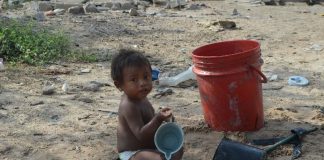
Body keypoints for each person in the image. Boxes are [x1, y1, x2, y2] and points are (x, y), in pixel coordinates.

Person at [111, 49, 183, 160]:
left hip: (150, 148)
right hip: (133, 154)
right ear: (119, 84)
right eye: (134, 79)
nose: (142, 83)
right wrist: (158, 118)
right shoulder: (128, 105)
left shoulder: (142, 98)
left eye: (146, 77)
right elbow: (141, 135)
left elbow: (150, 123)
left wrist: (167, 120)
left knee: (177, 148)